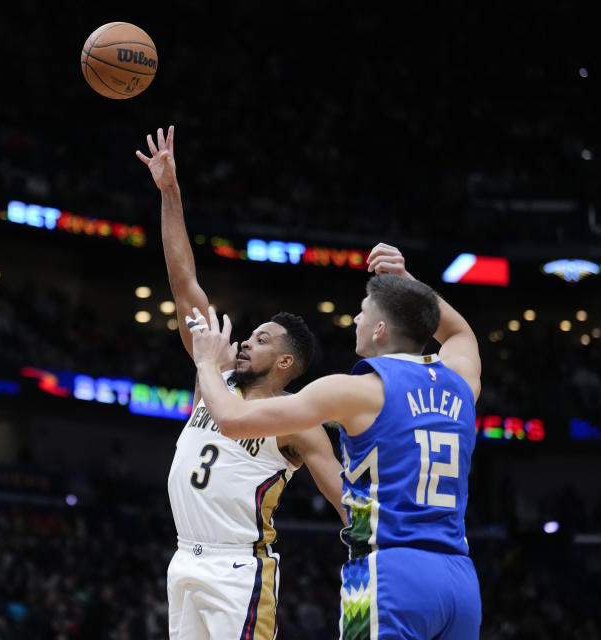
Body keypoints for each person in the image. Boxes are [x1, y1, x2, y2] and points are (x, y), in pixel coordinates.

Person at [188, 243, 482, 639]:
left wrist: (206, 362)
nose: (356, 317)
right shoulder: (461, 382)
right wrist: (406, 283)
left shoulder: (356, 391)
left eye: (363, 312)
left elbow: (231, 419)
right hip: (460, 579)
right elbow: (459, 331)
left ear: (380, 330)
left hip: (391, 573)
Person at [136, 126, 347, 639]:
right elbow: (183, 280)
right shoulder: (216, 375)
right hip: (184, 558)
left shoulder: (297, 418)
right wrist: (170, 193)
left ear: (286, 362)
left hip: (239, 570)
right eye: (249, 336)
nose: (247, 342)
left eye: (262, 339)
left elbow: (347, 499)